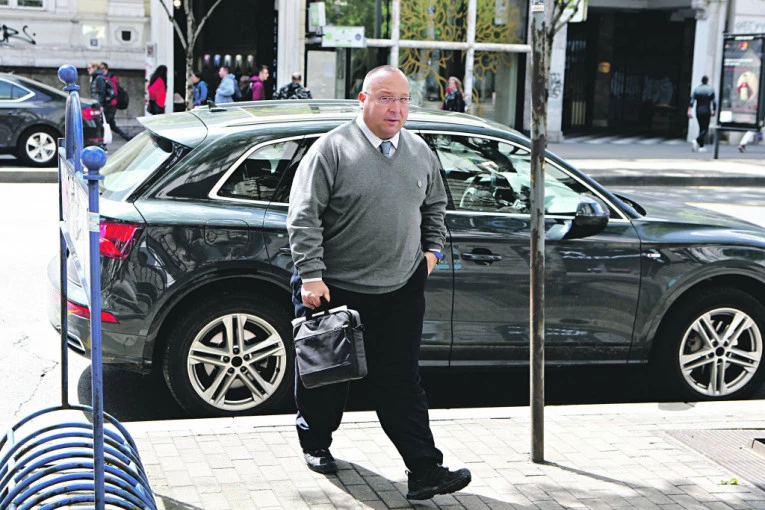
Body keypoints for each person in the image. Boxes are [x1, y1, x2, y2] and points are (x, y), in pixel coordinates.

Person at [286, 65, 471, 501]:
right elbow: (304, 217)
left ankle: (424, 470)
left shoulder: (419, 151)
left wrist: (431, 253)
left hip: (400, 288)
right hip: (334, 288)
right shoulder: (332, 149)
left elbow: (436, 206)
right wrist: (311, 274)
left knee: (402, 382)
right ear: (363, 100)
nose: (396, 108)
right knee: (327, 379)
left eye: (403, 99)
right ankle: (315, 442)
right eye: (386, 98)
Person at [100, 63, 131, 141]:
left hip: (111, 104)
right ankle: (127, 137)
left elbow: (113, 92)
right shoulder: (106, 77)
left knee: (103, 123)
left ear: (106, 69)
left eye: (102, 68)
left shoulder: (109, 78)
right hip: (111, 103)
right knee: (111, 124)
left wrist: (107, 101)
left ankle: (102, 141)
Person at [687, 75, 716, 152]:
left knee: (701, 127)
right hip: (706, 110)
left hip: (698, 110)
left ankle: (701, 146)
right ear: (707, 81)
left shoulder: (697, 89)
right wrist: (714, 110)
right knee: (705, 129)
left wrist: (689, 111)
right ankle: (696, 140)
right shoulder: (710, 90)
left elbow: (691, 101)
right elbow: (714, 101)